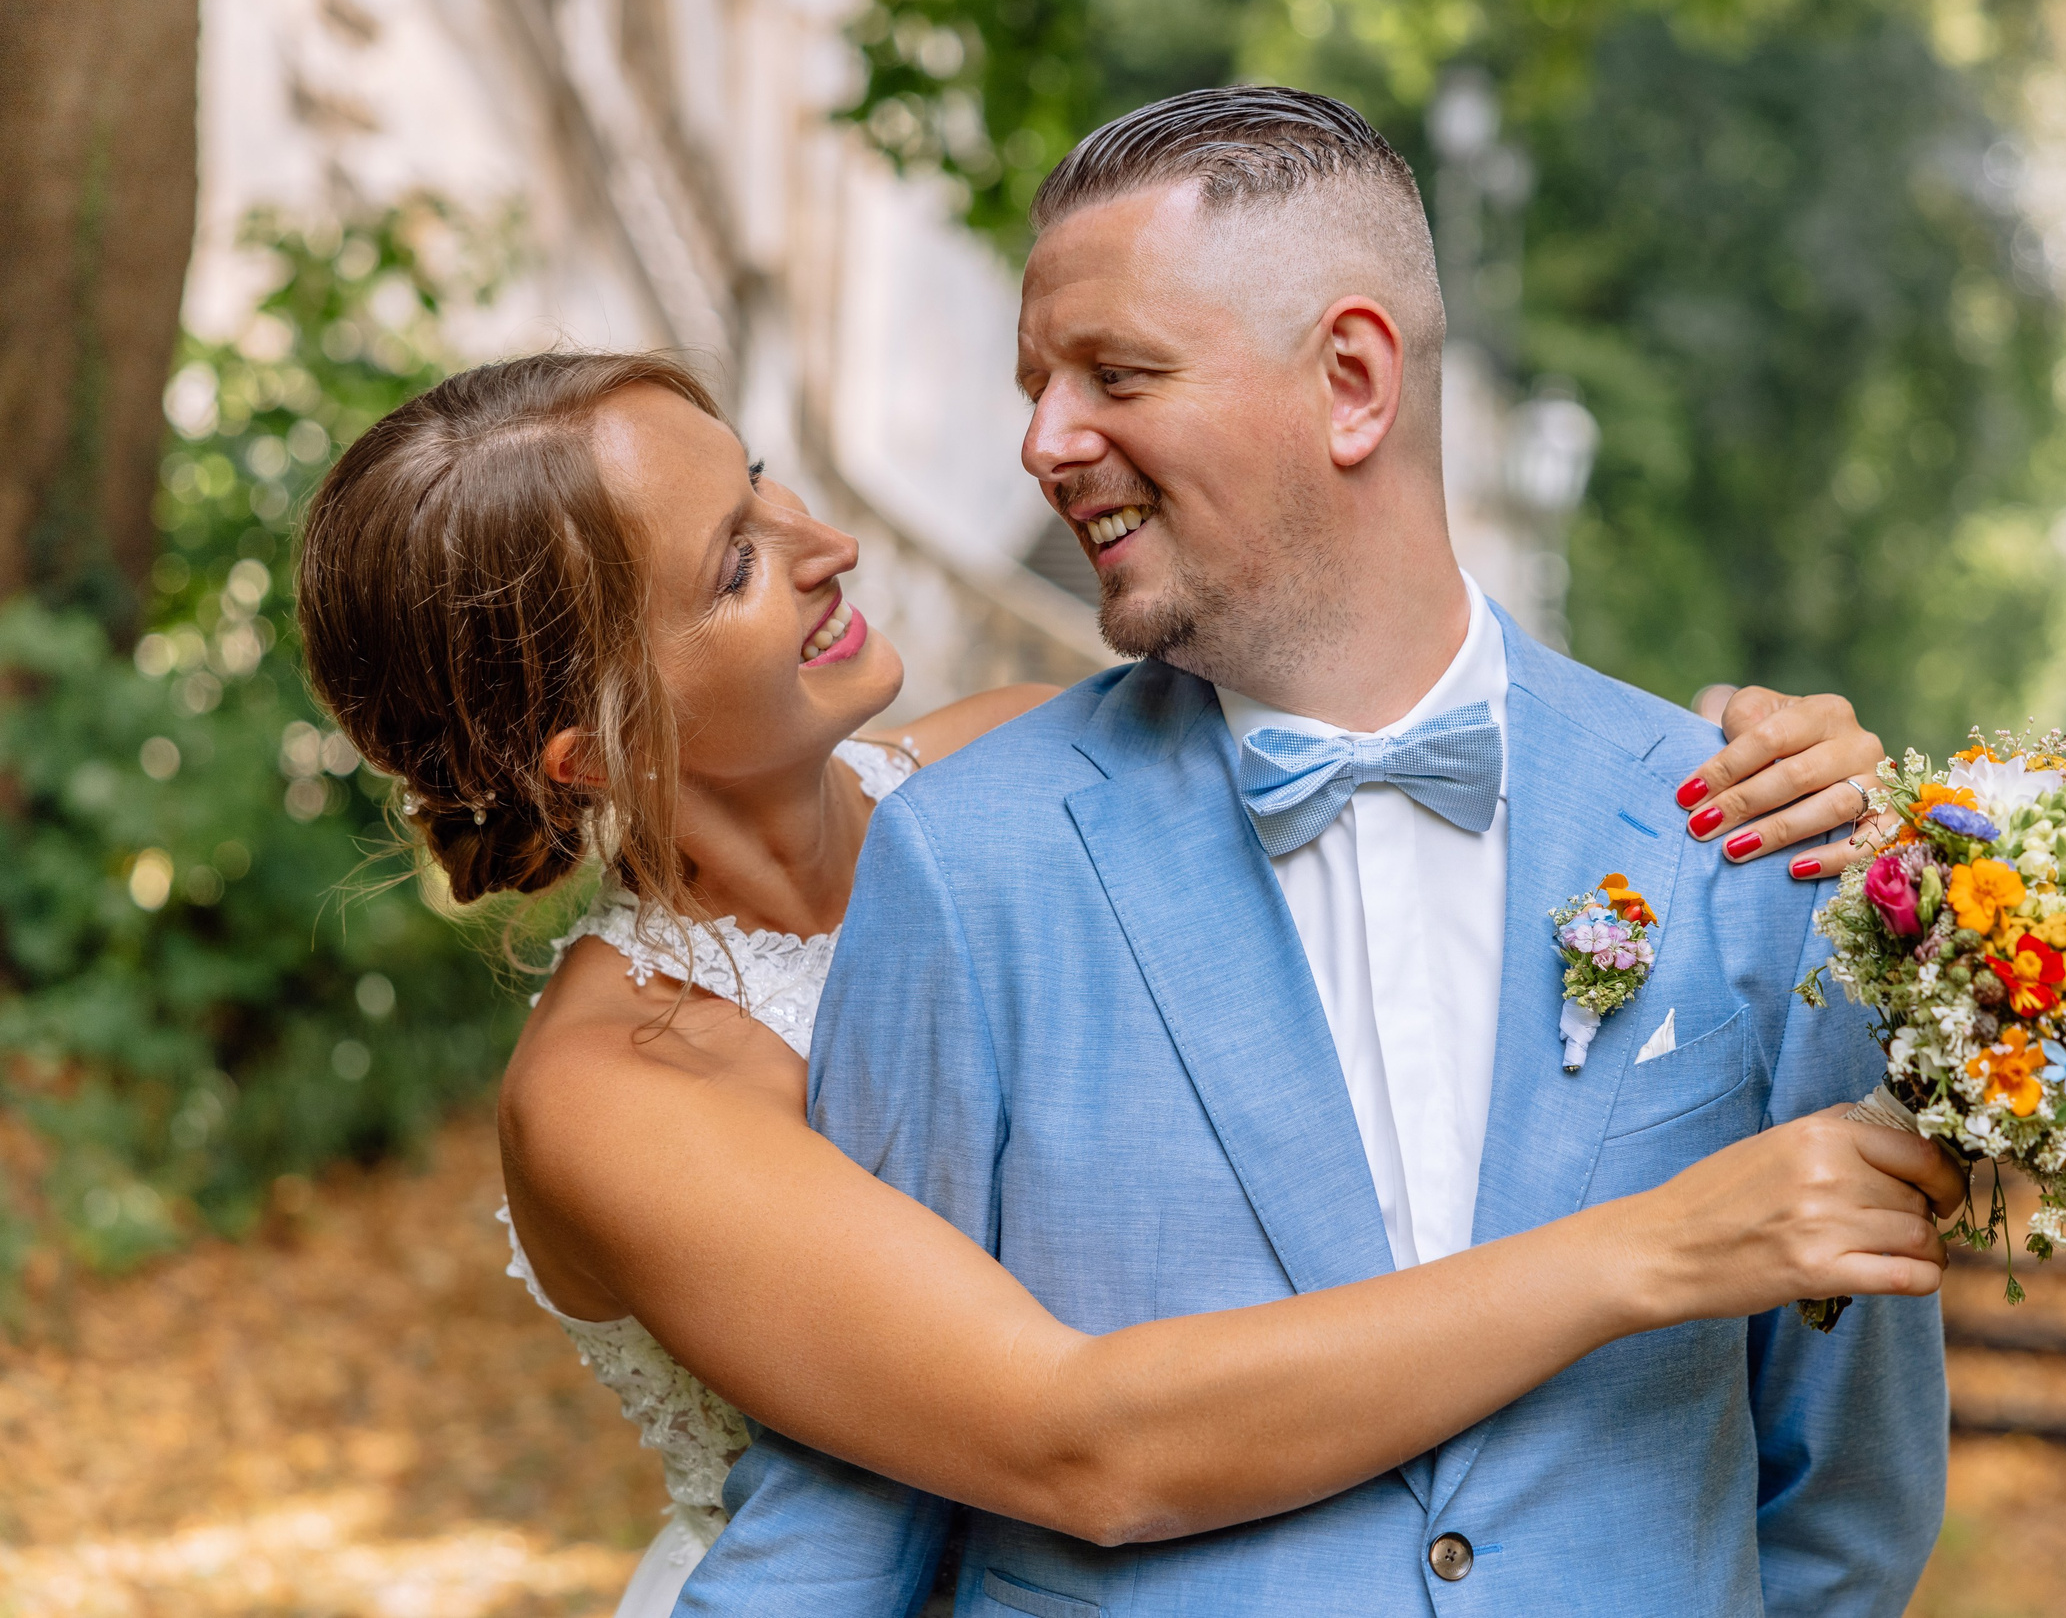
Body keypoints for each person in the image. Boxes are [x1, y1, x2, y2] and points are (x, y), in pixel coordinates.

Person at [292, 350, 1953, 1618]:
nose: (826, 545)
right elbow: (1073, 1436)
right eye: (732, 565)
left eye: (772, 486)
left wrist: (1740, 769)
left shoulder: (1033, 762)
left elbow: (1405, 804)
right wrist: (1653, 1252)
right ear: (586, 744)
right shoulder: (617, 1097)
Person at [681, 88, 1952, 1618]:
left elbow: (1843, 1499)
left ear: (1353, 380)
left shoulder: (1748, 827)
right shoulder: (970, 862)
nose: (1042, 442)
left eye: (1116, 374)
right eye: (1035, 385)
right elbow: (852, 1483)